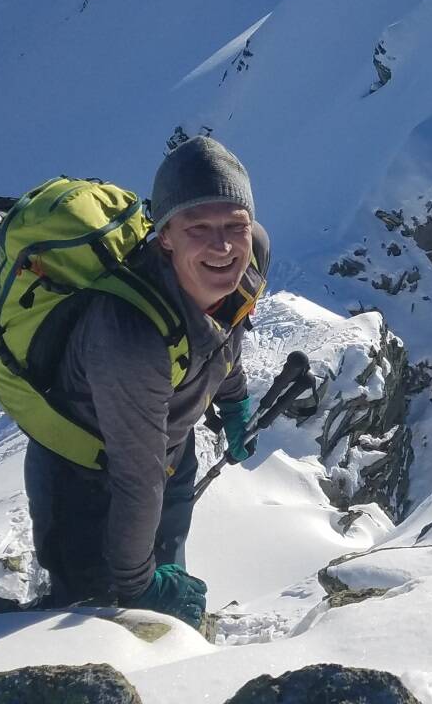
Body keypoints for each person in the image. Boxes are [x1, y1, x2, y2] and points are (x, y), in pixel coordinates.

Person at [23, 137, 270, 628]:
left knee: (168, 581)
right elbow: (134, 476)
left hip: (169, 455)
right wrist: (138, 585)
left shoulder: (249, 256)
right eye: (198, 227)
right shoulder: (129, 333)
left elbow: (226, 330)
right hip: (86, 482)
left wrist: (235, 400)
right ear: (165, 237)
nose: (222, 246)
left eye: (234, 226)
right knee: (97, 619)